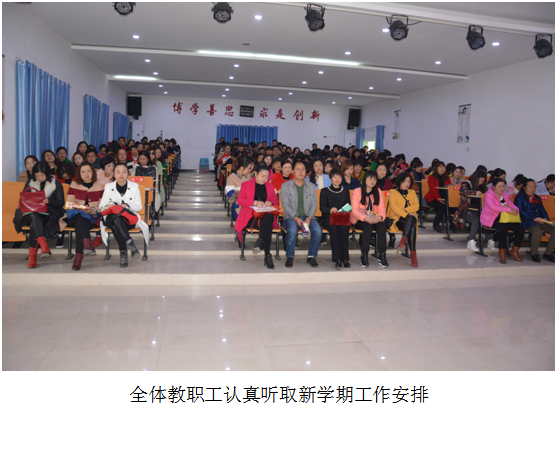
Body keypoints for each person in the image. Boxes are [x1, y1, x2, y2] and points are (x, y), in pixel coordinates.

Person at [13, 161, 65, 268]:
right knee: (33, 215)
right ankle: (43, 244)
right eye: (37, 175)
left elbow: (60, 203)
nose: (39, 178)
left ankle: (32, 256)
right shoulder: (30, 182)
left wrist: (49, 201)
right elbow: (23, 199)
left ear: (47, 173)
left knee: (34, 223)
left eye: (42, 175)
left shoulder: (56, 183)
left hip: (48, 213)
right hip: (30, 211)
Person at [98, 162, 149, 268]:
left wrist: (126, 205)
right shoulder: (108, 187)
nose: (121, 175)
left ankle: (123, 252)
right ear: (114, 174)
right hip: (111, 218)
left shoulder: (134, 186)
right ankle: (129, 242)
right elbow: (101, 206)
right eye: (118, 172)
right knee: (115, 218)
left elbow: (139, 207)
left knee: (116, 224)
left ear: (128, 173)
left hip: (128, 219)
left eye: (124, 172)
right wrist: (110, 206)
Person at [58, 163, 104, 270]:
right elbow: (69, 204)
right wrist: (84, 208)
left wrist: (92, 210)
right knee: (80, 217)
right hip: (73, 217)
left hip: (92, 218)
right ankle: (86, 244)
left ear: (92, 172)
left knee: (81, 223)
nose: (86, 174)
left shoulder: (99, 186)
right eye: (83, 171)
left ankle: (79, 257)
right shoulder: (74, 184)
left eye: (88, 171)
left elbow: (102, 206)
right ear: (79, 173)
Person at [234, 165, 279, 269]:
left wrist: (270, 202)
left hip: (264, 217)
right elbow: (240, 201)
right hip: (250, 217)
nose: (264, 179)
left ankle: (260, 241)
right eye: (262, 176)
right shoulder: (246, 185)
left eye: (266, 177)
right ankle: (267, 256)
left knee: (269, 217)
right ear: (255, 174)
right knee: (268, 226)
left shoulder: (269, 186)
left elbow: (276, 201)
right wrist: (254, 203)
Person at [281, 161, 322, 268]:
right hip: (291, 217)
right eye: (298, 169)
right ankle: (290, 256)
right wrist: (295, 218)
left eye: (303, 169)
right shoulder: (286, 186)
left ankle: (311, 256)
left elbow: (314, 204)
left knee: (318, 231)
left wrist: (309, 217)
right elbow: (285, 205)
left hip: (308, 217)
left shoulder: (311, 186)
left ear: (306, 172)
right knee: (292, 230)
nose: (300, 172)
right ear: (293, 171)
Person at [480, 177, 524, 264]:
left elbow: (511, 204)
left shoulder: (505, 195)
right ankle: (502, 254)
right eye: (499, 186)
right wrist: (508, 210)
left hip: (504, 218)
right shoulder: (489, 195)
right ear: (494, 187)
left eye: (503, 186)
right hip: (491, 218)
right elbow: (494, 207)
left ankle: (514, 251)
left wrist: (515, 210)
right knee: (503, 229)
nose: (502, 188)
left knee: (520, 229)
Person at [351, 171, 388, 268]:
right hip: (359, 219)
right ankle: (364, 254)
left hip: (374, 218)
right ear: (365, 180)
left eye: (374, 179)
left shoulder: (378, 191)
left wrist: (379, 217)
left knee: (381, 227)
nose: (372, 181)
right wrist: (365, 218)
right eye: (370, 179)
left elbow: (382, 208)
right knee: (368, 228)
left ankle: (382, 254)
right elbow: (354, 211)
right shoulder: (357, 191)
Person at [514, 179, 554, 263]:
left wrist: (545, 218)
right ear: (524, 187)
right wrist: (533, 218)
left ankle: (548, 253)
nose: (533, 189)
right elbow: (521, 212)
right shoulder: (519, 197)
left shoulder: (537, 197)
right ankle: (534, 253)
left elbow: (542, 210)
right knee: (537, 232)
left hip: (539, 219)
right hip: (527, 220)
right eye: (530, 187)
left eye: (534, 187)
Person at [320, 167, 351, 269]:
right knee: (333, 229)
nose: (337, 179)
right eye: (335, 177)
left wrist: (341, 211)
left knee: (344, 228)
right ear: (330, 178)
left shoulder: (345, 191)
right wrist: (330, 209)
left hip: (342, 217)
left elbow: (349, 206)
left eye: (339, 177)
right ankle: (337, 259)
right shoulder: (325, 191)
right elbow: (322, 208)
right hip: (328, 218)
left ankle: (345, 258)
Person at [387, 172, 420, 268]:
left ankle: (403, 242)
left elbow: (417, 206)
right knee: (412, 223)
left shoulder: (412, 192)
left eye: (408, 182)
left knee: (412, 221)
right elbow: (394, 206)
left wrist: (405, 210)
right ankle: (413, 255)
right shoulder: (393, 192)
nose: (407, 184)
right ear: (399, 181)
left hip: (409, 220)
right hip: (397, 220)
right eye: (404, 181)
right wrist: (406, 213)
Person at [453, 170, 487, 252]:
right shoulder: (467, 183)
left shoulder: (483, 187)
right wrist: (474, 192)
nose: (481, 183)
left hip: (478, 209)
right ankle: (471, 241)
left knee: (486, 218)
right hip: (465, 210)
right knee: (476, 219)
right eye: (480, 180)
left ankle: (490, 240)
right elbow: (462, 191)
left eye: (483, 181)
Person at [425, 161, 451, 232]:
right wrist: (439, 200)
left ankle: (452, 225)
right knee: (441, 206)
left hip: (444, 198)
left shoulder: (447, 178)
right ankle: (436, 224)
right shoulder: (432, 177)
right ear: (436, 168)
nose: (442, 169)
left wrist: (446, 199)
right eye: (440, 167)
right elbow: (433, 190)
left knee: (451, 206)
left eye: (443, 167)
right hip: (433, 198)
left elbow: (449, 190)